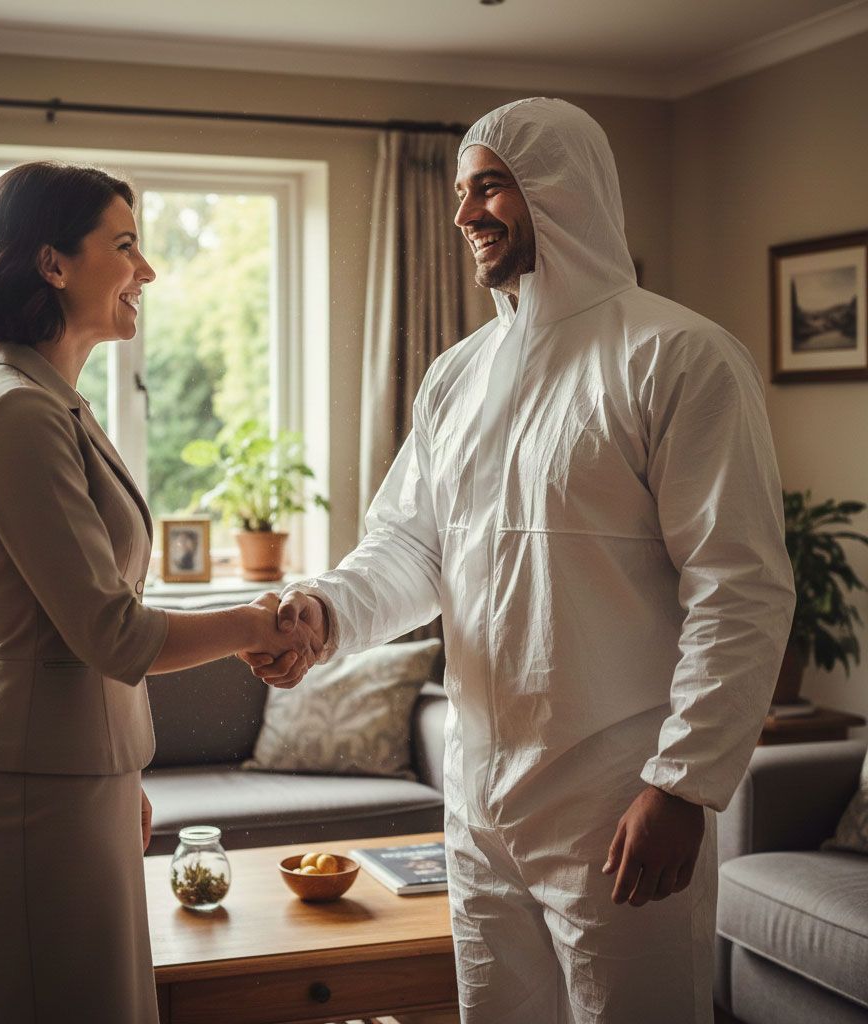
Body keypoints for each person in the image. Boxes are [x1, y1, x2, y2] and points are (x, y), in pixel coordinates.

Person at [243, 98, 795, 1023]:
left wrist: (682, 785)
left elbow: (739, 590)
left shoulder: (680, 357)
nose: (464, 216)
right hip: (479, 805)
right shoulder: (456, 375)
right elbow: (410, 548)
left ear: (561, 189)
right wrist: (327, 612)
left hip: (621, 800)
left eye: (489, 186)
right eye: (462, 192)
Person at [0, 161, 319, 1024]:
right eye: (125, 247)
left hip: (77, 778)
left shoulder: (53, 404)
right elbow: (109, 632)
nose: (146, 271)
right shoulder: (15, 414)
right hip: (36, 793)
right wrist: (254, 623)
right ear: (52, 264)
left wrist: (114, 769)